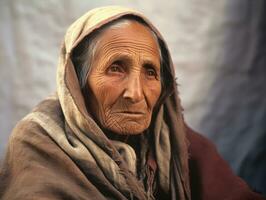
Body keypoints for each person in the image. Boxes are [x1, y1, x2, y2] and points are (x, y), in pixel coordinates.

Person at [0, 6, 264, 200]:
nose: (136, 94)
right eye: (116, 68)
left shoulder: (173, 140)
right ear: (77, 82)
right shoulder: (39, 141)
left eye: (151, 73)